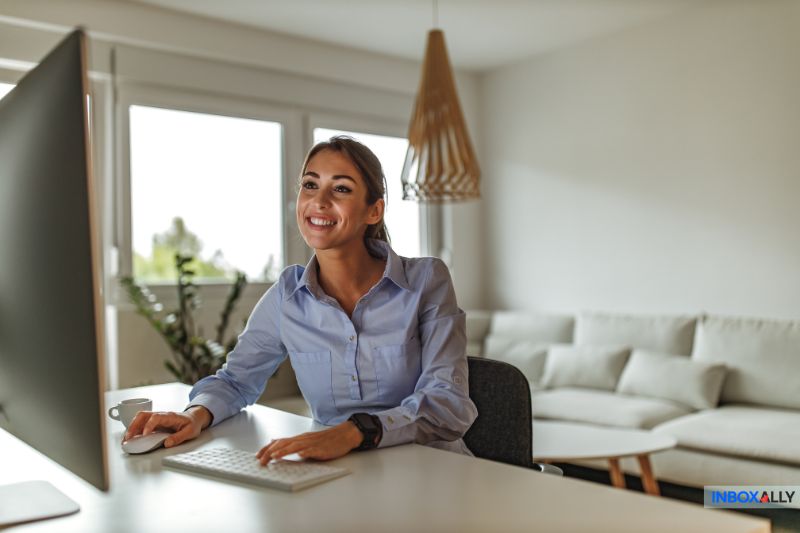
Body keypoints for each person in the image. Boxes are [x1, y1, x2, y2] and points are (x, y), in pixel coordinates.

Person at [125, 136, 477, 462]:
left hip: (434, 467)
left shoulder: (427, 281)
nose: (319, 201)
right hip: (344, 470)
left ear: (374, 211)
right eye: (310, 185)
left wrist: (355, 431)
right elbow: (235, 381)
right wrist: (194, 416)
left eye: (340, 188)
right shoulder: (288, 295)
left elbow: (446, 402)